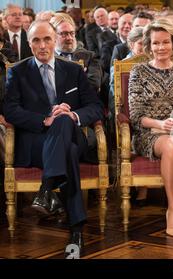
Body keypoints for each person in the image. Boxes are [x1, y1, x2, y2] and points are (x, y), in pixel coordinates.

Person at [3, 20, 103, 254]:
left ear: (55, 39)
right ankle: (76, 229)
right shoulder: (18, 72)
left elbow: (95, 106)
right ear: (29, 44)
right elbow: (11, 110)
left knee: (64, 120)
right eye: (36, 40)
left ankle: (47, 189)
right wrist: (45, 120)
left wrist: (73, 115)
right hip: (36, 142)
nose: (42, 45)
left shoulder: (73, 70)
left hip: (71, 134)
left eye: (47, 39)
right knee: (65, 149)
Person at [128, 19, 173, 238]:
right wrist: (160, 124)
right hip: (150, 132)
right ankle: (172, 208)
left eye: (165, 42)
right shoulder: (138, 71)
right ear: (149, 46)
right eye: (156, 43)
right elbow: (135, 116)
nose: (161, 48)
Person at [50, 14, 102, 93]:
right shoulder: (47, 58)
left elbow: (94, 85)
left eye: (72, 33)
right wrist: (80, 77)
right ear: (53, 35)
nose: (69, 38)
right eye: (64, 34)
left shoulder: (89, 57)